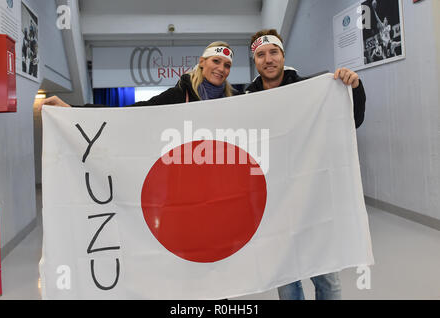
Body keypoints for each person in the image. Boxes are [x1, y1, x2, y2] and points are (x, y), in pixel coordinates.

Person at [246, 29, 366, 300]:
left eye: (273, 52)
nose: (268, 59)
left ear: (283, 56)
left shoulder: (312, 89)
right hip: (273, 207)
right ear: (255, 61)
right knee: (287, 284)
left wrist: (355, 89)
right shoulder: (246, 101)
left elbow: (352, 120)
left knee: (328, 280)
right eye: (261, 55)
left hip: (313, 201)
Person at [42, 41, 237, 108]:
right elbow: (128, 111)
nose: (221, 69)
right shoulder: (178, 95)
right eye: (216, 61)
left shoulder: (234, 99)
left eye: (227, 65)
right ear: (202, 63)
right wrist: (72, 109)